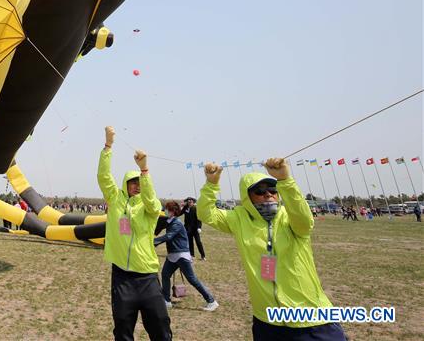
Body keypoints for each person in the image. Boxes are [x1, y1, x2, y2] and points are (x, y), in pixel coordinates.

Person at [199, 159, 346, 341]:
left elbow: (305, 222)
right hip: (267, 321)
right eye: (259, 191)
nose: (268, 194)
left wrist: (285, 181)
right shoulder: (238, 218)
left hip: (311, 320)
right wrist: (211, 184)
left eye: (272, 190)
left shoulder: (290, 217)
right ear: (247, 196)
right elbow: (206, 213)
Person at [98, 126, 171, 341]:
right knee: (122, 329)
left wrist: (144, 171)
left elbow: (151, 201)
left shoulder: (150, 207)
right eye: (133, 183)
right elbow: (103, 177)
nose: (137, 186)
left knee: (160, 328)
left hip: (147, 276)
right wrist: (108, 146)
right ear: (125, 184)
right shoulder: (115, 199)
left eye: (140, 184)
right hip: (121, 276)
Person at [154, 201, 218, 311]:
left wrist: (153, 241)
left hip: (181, 255)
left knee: (192, 279)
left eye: (167, 209)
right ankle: (167, 300)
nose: (165, 211)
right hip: (173, 255)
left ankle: (211, 301)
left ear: (173, 211)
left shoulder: (176, 223)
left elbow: (168, 236)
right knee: (165, 275)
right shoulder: (169, 221)